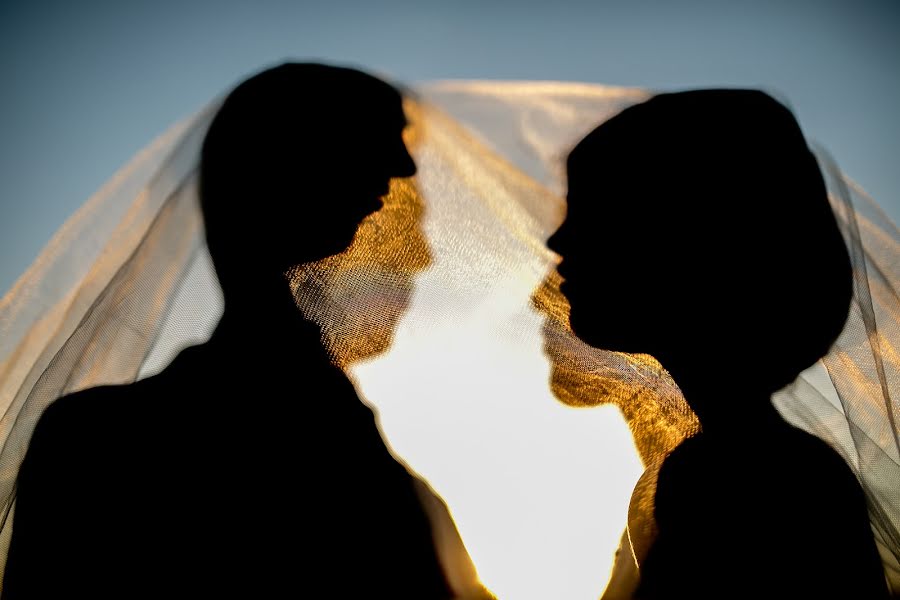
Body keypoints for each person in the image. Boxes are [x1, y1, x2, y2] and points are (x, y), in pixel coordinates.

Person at [3, 63, 452, 599]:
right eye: (376, 136)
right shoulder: (95, 442)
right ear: (281, 156)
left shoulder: (90, 435)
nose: (403, 166)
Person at [547, 89, 889, 598]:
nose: (558, 242)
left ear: (686, 237)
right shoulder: (765, 464)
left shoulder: (745, 481)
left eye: (594, 212)